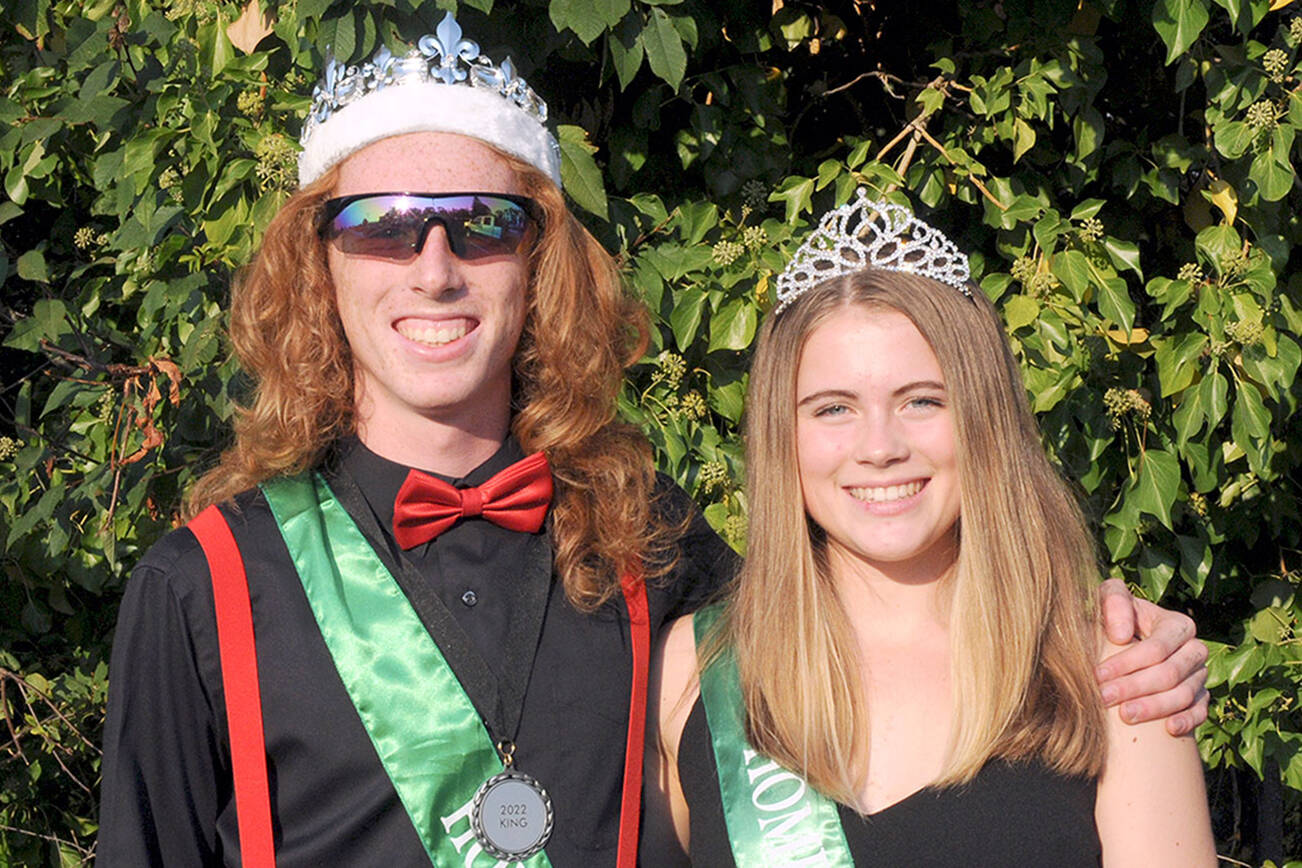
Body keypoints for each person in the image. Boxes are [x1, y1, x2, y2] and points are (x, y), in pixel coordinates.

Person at [98, 14, 1208, 868]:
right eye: (380, 225)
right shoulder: (204, 585)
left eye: (484, 223)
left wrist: (1133, 657)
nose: (432, 266)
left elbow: (871, 613)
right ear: (317, 267)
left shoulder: (652, 541)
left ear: (542, 264)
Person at [646, 194, 1218, 866]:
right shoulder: (696, 670)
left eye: (922, 401)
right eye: (833, 409)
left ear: (983, 417)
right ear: (783, 438)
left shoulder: (1113, 670)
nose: (880, 446)